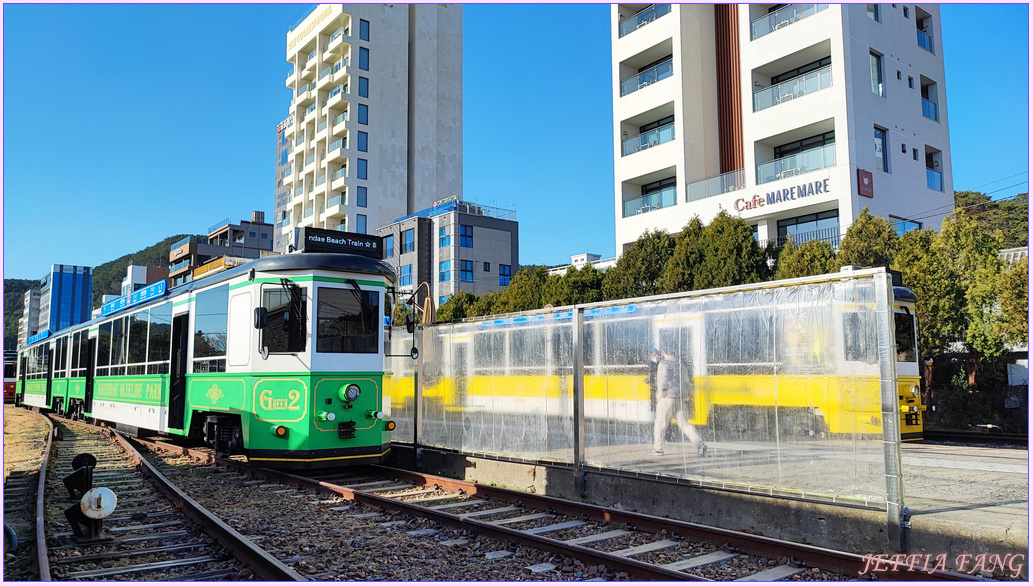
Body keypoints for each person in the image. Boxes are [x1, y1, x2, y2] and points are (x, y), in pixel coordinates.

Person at [647, 348, 707, 458]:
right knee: (685, 424)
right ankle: (700, 444)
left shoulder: (664, 364)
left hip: (667, 397)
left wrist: (664, 389)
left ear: (664, 352)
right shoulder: (680, 365)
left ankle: (658, 449)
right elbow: (686, 380)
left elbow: (664, 377)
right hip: (680, 398)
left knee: (660, 424)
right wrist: (687, 394)